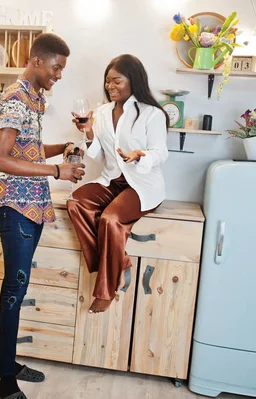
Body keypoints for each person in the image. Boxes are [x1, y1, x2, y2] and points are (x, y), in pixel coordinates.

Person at [0, 33, 85, 399]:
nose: (59, 74)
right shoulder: (14, 98)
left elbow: (26, 149)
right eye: (57, 67)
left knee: (18, 285)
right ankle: (5, 382)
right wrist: (58, 171)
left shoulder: (33, 98)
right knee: (15, 286)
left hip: (29, 205)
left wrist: (63, 148)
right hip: (14, 206)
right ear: (37, 60)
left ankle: (6, 365)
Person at [67, 54, 169, 314]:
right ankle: (119, 263)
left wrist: (140, 155)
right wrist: (89, 131)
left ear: (133, 80)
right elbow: (98, 154)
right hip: (112, 179)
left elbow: (161, 153)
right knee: (76, 203)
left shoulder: (152, 114)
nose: (110, 86)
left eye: (117, 81)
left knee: (110, 220)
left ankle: (106, 290)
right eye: (107, 82)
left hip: (142, 184)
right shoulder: (101, 113)